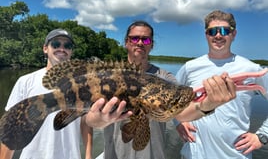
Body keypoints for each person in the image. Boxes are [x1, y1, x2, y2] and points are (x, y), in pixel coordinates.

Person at [98, 20, 236, 159]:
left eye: (145, 40)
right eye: (135, 38)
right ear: (126, 42)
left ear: (151, 45)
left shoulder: (165, 77)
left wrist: (208, 104)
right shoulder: (107, 77)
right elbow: (90, 119)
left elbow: (182, 112)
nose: (140, 43)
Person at [0, 28, 131, 159]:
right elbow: (12, 127)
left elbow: (84, 123)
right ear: (45, 48)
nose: (62, 49)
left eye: (67, 46)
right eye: (56, 44)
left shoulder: (85, 83)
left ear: (71, 51)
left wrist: (88, 155)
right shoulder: (25, 81)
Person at [175, 10, 268, 159]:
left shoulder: (251, 69)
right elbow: (170, 99)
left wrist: (263, 136)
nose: (218, 35)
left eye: (224, 31)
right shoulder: (189, 67)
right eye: (212, 31)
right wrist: (178, 121)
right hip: (194, 154)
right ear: (206, 35)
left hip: (236, 155)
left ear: (234, 34)